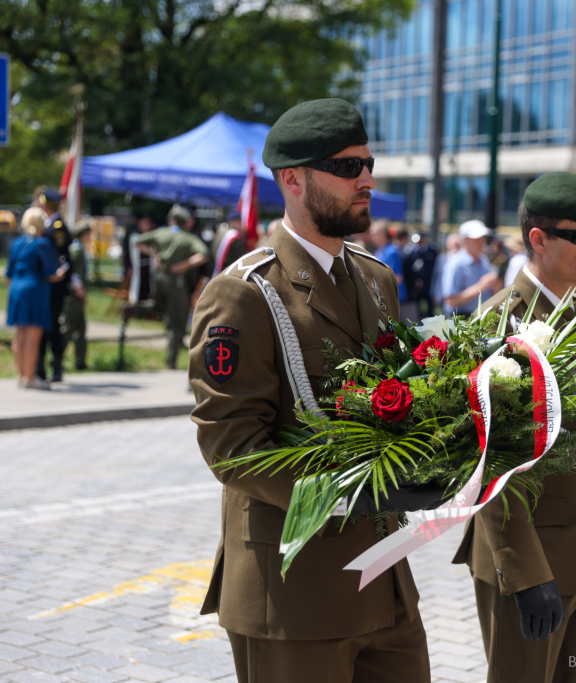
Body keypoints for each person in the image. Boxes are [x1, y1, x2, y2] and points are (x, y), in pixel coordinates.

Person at [189, 98, 436, 683]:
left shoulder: (376, 278)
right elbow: (231, 445)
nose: (367, 180)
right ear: (293, 179)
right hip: (292, 587)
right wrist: (351, 494)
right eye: (347, 167)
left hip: (382, 579)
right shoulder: (245, 292)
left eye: (368, 163)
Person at [453, 172, 576, 683]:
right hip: (530, 564)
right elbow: (488, 463)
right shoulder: (499, 326)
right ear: (539, 239)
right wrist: (526, 573)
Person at [128, 206, 211, 369]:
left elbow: (137, 241)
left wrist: (155, 255)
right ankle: (171, 359)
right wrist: (183, 265)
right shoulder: (188, 238)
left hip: (159, 277)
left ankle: (133, 309)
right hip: (176, 281)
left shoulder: (161, 232)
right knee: (176, 317)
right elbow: (204, 254)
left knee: (158, 306)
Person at [7, 207, 65, 389]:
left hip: (16, 288)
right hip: (34, 290)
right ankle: (30, 377)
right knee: (33, 336)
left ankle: (22, 375)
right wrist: (61, 273)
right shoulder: (42, 244)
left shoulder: (16, 243)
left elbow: (9, 273)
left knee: (20, 334)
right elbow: (50, 274)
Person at [35, 188, 72, 382]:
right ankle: (40, 367)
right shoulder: (49, 225)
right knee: (43, 326)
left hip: (54, 287)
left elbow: (62, 258)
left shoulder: (57, 227)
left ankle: (55, 367)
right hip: (46, 285)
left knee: (52, 327)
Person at [440, 220, 501, 316]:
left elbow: (488, 293)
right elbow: (450, 301)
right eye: (477, 238)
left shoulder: (483, 260)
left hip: (480, 316)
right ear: (464, 240)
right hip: (460, 319)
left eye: (483, 238)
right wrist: (480, 286)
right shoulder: (455, 263)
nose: (481, 242)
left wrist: (495, 288)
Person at [62, 220, 92, 371]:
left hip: (78, 296)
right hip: (73, 296)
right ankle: (57, 359)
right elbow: (69, 269)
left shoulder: (79, 248)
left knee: (81, 329)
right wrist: (79, 287)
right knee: (68, 328)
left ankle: (80, 362)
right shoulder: (76, 249)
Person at [370, 221, 414, 321]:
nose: (372, 236)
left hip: (390, 298)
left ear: (382, 235)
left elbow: (397, 278)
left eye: (374, 233)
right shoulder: (379, 250)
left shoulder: (392, 252)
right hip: (381, 297)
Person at [403, 232, 439, 319]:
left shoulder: (433, 251)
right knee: (417, 309)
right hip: (417, 286)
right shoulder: (412, 252)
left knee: (430, 308)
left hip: (430, 284)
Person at [123, 212, 156, 305]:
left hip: (149, 267)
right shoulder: (135, 236)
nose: (145, 225)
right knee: (137, 289)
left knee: (149, 288)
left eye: (148, 223)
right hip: (138, 266)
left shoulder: (152, 236)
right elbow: (129, 251)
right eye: (144, 223)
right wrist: (128, 266)